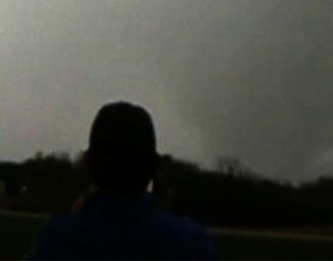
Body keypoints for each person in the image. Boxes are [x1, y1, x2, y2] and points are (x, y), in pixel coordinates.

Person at [29, 101, 216, 260]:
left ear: (89, 162)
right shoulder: (194, 242)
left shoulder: (56, 239)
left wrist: (72, 224)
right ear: (153, 166)